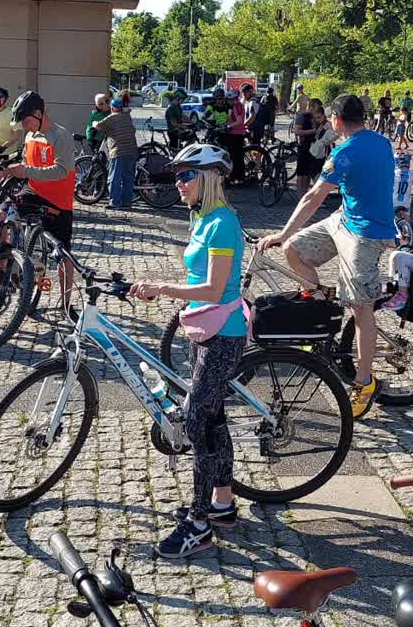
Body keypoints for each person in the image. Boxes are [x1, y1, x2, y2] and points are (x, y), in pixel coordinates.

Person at [129, 142, 246, 559]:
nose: (178, 183)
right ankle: (222, 504)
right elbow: (199, 280)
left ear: (209, 178)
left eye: (186, 175)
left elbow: (214, 288)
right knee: (213, 418)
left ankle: (198, 524)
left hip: (224, 334)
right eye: (176, 175)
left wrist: (162, 288)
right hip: (204, 328)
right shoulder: (201, 217)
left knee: (196, 422)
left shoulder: (223, 223)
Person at [259, 95, 396, 417]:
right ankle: (321, 311)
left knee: (360, 308)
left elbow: (313, 196)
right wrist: (289, 239)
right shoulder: (381, 142)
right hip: (344, 219)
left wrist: (282, 233)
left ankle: (364, 382)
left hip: (366, 233)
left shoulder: (344, 152)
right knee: (295, 249)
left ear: (336, 120)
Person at [0, 92, 77, 312]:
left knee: (64, 254)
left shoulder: (61, 136)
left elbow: (61, 171)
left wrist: (26, 171)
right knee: (0, 215)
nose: (24, 126)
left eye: (26, 121)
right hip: (33, 191)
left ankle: (66, 304)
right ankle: (4, 265)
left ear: (39, 114)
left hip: (59, 201)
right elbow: (25, 162)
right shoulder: (30, 136)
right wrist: (6, 166)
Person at [94, 95, 139, 208]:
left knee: (114, 178)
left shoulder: (112, 117)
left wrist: (94, 122)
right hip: (132, 151)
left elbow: (99, 125)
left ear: (112, 108)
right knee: (128, 178)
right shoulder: (127, 116)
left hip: (119, 152)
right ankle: (127, 203)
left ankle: (115, 203)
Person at [293, 96, 322, 195]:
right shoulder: (302, 116)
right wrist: (313, 131)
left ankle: (305, 193)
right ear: (311, 106)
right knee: (301, 172)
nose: (318, 110)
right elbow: (297, 131)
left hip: (314, 148)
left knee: (309, 172)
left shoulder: (315, 116)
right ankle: (300, 195)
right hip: (304, 146)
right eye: (317, 107)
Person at [224, 89, 248, 184]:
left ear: (233, 99)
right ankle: (238, 178)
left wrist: (229, 126)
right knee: (237, 157)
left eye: (228, 99)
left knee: (235, 158)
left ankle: (235, 178)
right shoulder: (238, 105)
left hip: (236, 134)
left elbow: (239, 121)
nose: (228, 101)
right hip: (236, 133)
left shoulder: (236, 106)